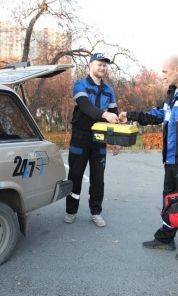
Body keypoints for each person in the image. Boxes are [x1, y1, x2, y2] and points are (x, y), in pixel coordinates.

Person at [119, 55, 178, 261]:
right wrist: (131, 115)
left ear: (177, 70)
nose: (162, 76)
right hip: (171, 158)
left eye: (164, 71)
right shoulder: (173, 94)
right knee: (170, 198)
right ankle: (166, 238)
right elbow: (157, 115)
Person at [64, 53, 121, 227]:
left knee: (98, 178)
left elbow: (115, 115)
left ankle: (96, 212)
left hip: (99, 139)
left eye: (105, 65)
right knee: (75, 176)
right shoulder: (80, 85)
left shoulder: (109, 90)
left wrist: (116, 139)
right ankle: (71, 211)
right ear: (90, 66)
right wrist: (104, 114)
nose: (102, 68)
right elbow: (85, 105)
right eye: (99, 64)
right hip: (80, 138)